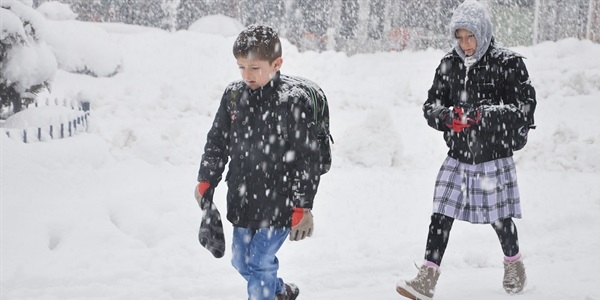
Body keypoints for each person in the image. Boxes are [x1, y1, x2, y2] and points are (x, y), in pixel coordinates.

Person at [395, 1, 536, 299]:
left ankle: (514, 265)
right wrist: (447, 117)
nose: (465, 44)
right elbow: (431, 105)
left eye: (470, 37)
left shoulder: (508, 63)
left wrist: (482, 115)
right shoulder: (449, 63)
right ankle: (427, 277)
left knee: (499, 218)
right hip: (458, 155)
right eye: (459, 37)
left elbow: (523, 110)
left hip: (493, 156)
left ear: (483, 33)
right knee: (441, 214)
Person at [195, 25, 328, 300]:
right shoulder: (234, 96)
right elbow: (217, 142)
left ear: (276, 64)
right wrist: (206, 180)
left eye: (254, 68)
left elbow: (308, 158)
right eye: (241, 66)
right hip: (243, 198)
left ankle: (265, 295)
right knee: (240, 262)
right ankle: (279, 291)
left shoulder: (292, 100)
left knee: (259, 262)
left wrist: (302, 205)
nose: (246, 75)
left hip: (280, 200)